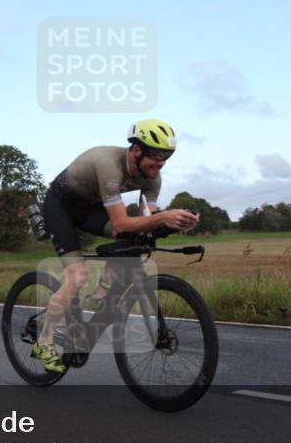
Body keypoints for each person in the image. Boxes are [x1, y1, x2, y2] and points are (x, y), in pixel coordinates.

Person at [34, 119, 200, 373]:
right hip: (60, 206)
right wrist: (163, 217)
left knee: (135, 238)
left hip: (90, 208)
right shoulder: (109, 165)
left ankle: (102, 292)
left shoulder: (153, 179)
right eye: (156, 155)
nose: (161, 163)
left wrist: (175, 223)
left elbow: (146, 222)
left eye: (166, 156)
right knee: (77, 276)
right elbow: (121, 223)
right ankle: (44, 341)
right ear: (136, 150)